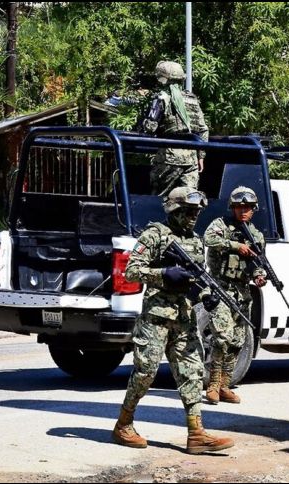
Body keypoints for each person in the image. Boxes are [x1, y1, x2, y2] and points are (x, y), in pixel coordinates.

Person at [111, 187, 234, 455]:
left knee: (191, 373)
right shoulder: (154, 235)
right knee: (145, 373)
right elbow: (132, 271)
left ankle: (196, 433)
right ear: (174, 210)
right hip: (156, 318)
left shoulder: (195, 240)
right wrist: (164, 273)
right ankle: (123, 424)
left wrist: (205, 295)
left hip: (184, 318)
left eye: (197, 212)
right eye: (188, 212)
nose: (193, 217)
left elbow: (194, 279)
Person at [203, 186, 267, 404]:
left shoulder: (256, 235)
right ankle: (212, 385)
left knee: (237, 342)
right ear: (233, 208)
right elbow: (208, 239)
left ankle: (224, 385)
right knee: (221, 337)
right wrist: (235, 245)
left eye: (247, 208)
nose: (243, 211)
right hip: (221, 288)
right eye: (239, 207)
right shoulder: (221, 225)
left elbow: (258, 263)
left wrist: (260, 275)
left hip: (241, 293)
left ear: (253, 209)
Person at [140, 60, 209, 195]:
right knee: (189, 201)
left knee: (160, 200)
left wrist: (142, 124)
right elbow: (203, 129)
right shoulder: (192, 99)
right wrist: (201, 156)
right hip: (192, 159)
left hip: (169, 157)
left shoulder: (162, 98)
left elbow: (150, 127)